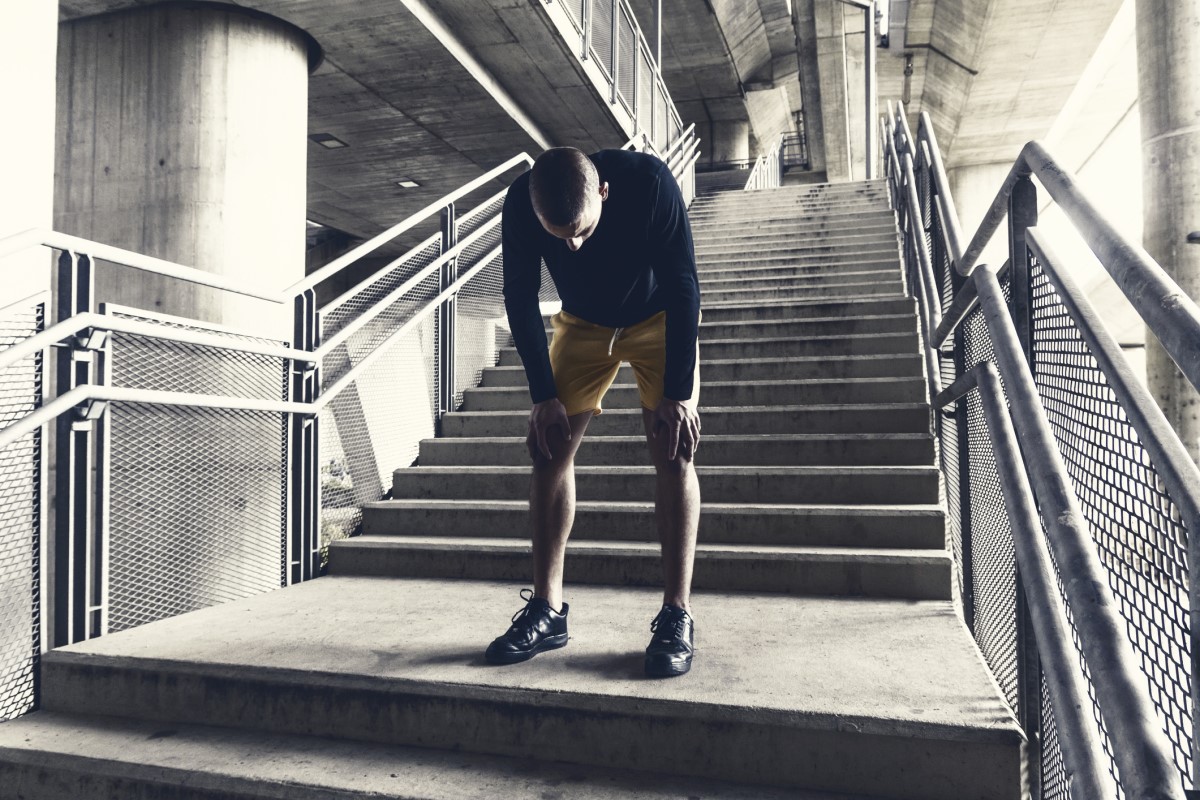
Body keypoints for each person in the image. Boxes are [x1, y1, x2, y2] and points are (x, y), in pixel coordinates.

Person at [486, 146, 702, 677]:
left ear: (603, 191)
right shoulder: (521, 202)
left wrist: (677, 394)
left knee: (673, 451)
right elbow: (519, 296)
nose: (574, 245)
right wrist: (542, 396)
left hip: (657, 319)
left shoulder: (651, 183)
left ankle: (677, 614)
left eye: (580, 230)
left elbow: (684, 287)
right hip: (582, 325)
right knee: (548, 451)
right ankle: (547, 609)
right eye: (559, 236)